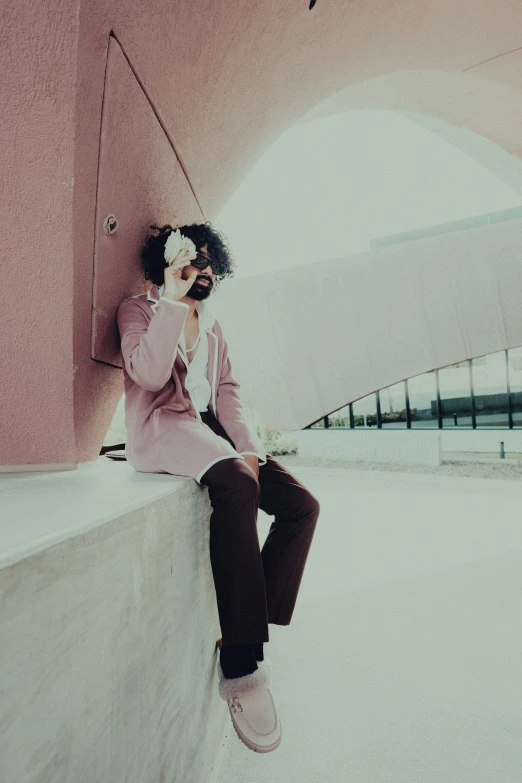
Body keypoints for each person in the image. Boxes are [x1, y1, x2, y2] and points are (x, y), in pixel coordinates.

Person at [116, 222, 320, 753]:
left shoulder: (214, 327)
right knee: (235, 484)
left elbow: (227, 393)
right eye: (192, 261)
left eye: (210, 265)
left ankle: (249, 616)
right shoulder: (139, 310)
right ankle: (242, 662)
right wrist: (173, 302)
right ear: (169, 263)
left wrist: (248, 445)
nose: (202, 272)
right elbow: (150, 376)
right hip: (166, 427)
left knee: (301, 505)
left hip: (213, 430)